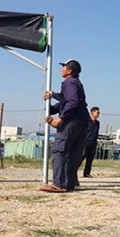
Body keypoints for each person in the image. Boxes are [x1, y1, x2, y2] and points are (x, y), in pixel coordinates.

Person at [39, 59, 90, 193]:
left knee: (59, 151)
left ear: (69, 71)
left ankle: (58, 184)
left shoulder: (69, 82)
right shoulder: (76, 83)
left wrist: (60, 119)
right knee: (74, 153)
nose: (62, 69)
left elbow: (71, 102)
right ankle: (68, 184)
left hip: (71, 121)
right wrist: (52, 99)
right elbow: (65, 101)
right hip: (82, 121)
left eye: (64, 67)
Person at [79, 106, 100, 178]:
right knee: (81, 157)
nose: (98, 114)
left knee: (90, 159)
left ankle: (87, 173)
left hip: (93, 143)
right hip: (85, 142)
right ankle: (73, 171)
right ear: (92, 113)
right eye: (97, 112)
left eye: (98, 113)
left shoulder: (97, 123)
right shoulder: (87, 121)